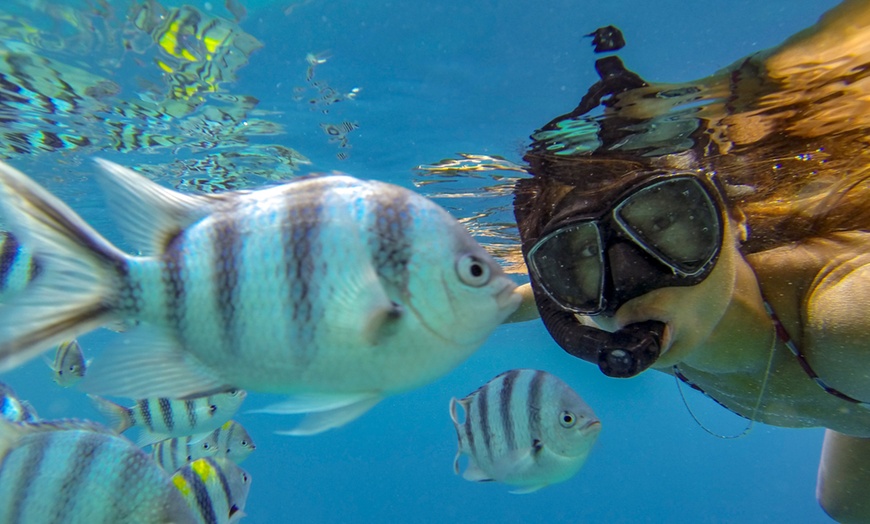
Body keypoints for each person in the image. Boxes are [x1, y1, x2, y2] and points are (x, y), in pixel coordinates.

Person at [508, 1, 870, 521]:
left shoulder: (847, 323)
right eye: (580, 260)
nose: (633, 284)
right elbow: (534, 297)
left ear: (731, 220)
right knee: (848, 504)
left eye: (664, 223)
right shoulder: (610, 314)